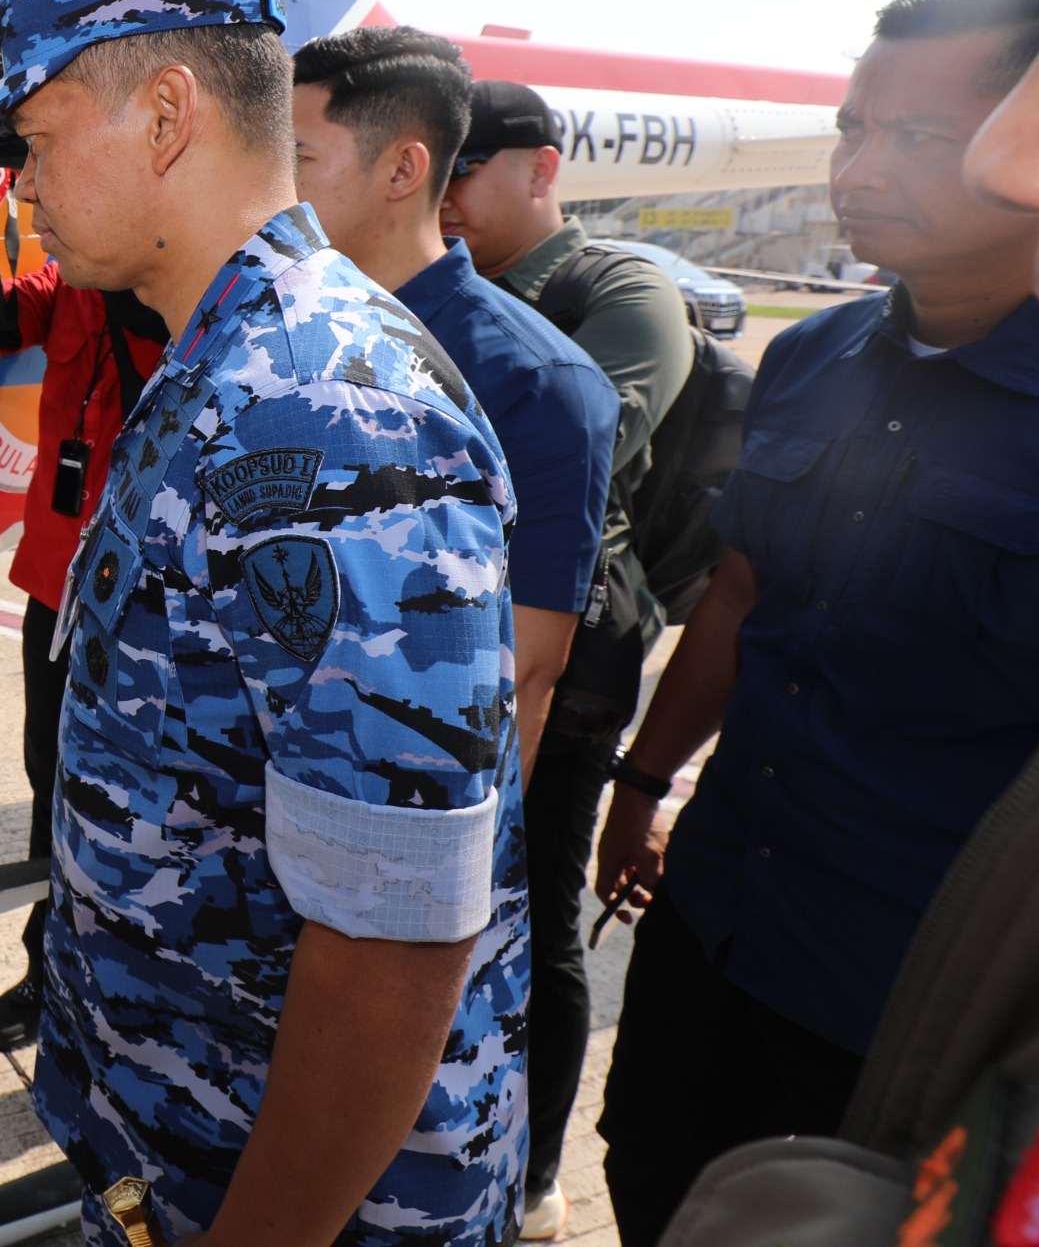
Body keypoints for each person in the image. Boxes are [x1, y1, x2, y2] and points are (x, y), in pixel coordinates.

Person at [0, 0, 527, 1245]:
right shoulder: (221, 358)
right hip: (190, 1149)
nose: (18, 185)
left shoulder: (319, 405)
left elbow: (391, 937)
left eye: (32, 141)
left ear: (164, 116)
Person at [580, 0, 1039, 1244]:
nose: (857, 168)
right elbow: (743, 592)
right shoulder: (811, 356)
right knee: (655, 1166)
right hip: (722, 907)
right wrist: (641, 783)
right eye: (850, 124)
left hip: (915, 980)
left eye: (916, 138)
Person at [290, 29, 619, 1242]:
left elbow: (521, 679)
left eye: (299, 154)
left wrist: (432, 950)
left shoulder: (532, 381)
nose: (271, 184)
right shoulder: (286, 343)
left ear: (398, 168)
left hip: (410, 890)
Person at [435, 78, 692, 1233]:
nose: (442, 196)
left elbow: (579, 443)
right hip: (446, 635)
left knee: (531, 910)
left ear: (539, 167)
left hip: (570, 649)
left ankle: (529, 1176)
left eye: (464, 171)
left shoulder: (619, 287)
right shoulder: (444, 287)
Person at [0, 120, 167, 1052]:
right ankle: (49, 969)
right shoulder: (69, 283)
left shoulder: (189, 293)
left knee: (149, 798)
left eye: (46, 173)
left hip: (154, 598)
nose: (36, 195)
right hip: (60, 586)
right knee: (53, 781)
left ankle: (132, 988)